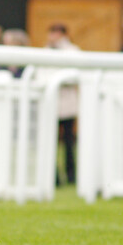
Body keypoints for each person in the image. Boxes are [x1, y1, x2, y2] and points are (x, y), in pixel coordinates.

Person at [46, 23, 80, 186]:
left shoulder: (72, 51)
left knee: (68, 141)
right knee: (51, 142)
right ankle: (55, 177)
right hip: (51, 104)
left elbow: (74, 75)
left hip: (67, 104)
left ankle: (71, 174)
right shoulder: (46, 51)